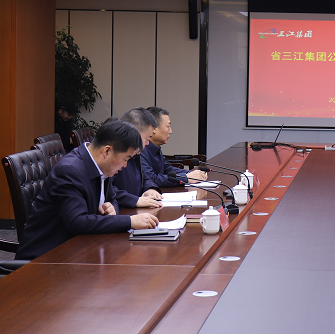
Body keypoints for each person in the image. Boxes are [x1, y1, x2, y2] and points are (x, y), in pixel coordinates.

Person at [15, 121, 160, 261]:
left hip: (78, 250)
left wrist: (111, 209)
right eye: (125, 159)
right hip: (46, 259)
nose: (125, 165)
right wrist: (129, 221)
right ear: (107, 151)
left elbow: (112, 198)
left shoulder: (102, 166)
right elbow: (76, 222)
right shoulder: (70, 170)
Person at [108, 108, 164, 209]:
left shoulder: (136, 153)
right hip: (122, 211)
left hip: (136, 210)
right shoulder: (114, 153)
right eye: (147, 138)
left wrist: (150, 189)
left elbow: (145, 177)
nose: (148, 143)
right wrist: (135, 200)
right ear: (134, 132)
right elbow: (107, 189)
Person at [143, 106, 207, 187]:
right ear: (153, 128)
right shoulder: (140, 150)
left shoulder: (156, 148)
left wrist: (194, 174)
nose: (171, 131)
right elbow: (151, 179)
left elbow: (168, 169)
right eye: (168, 126)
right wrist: (186, 178)